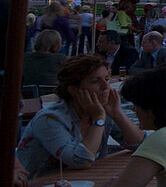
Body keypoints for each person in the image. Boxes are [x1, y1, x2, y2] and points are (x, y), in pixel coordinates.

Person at [17, 55, 145, 178]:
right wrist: (98, 119)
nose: (106, 86)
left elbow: (141, 145)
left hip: (85, 182)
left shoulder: (103, 110)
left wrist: (118, 114)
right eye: (95, 81)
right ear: (73, 90)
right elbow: (80, 160)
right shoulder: (49, 119)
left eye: (106, 79)